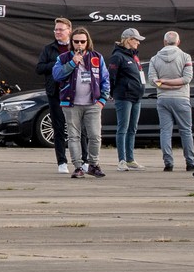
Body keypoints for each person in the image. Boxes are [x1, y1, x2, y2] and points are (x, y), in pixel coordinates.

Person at [52, 27, 109, 179]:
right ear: (72, 42)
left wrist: (102, 100)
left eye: (82, 41)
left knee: (95, 136)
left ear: (87, 42)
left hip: (93, 103)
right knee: (73, 136)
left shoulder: (97, 57)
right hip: (71, 104)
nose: (79, 45)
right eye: (76, 42)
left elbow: (105, 79)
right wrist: (72, 63)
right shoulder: (63, 58)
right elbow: (57, 75)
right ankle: (78, 167)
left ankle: (93, 164)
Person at [147, 31, 194, 172]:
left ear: (164, 42)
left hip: (163, 98)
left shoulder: (154, 59)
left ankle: (168, 162)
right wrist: (175, 84)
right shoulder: (185, 57)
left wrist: (164, 83)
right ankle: (190, 162)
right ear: (178, 42)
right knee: (186, 131)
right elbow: (187, 79)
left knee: (165, 132)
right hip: (181, 98)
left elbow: (152, 80)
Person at [36, 18, 75, 175]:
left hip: (74, 93)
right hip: (55, 93)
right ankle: (61, 161)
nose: (58, 32)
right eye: (56, 30)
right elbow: (39, 68)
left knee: (78, 129)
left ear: (69, 31)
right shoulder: (49, 49)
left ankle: (83, 160)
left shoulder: (76, 46)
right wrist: (58, 64)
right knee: (58, 128)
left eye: (61, 30)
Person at [109, 27, 148, 171]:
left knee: (133, 128)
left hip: (136, 97)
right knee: (123, 128)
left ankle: (130, 159)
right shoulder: (118, 56)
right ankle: (121, 160)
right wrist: (111, 92)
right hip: (124, 97)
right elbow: (111, 76)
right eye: (136, 40)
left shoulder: (134, 56)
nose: (138, 43)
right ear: (129, 40)